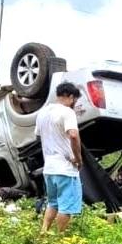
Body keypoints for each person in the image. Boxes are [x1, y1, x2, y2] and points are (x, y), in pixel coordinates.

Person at [36, 82, 83, 233]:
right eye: (75, 100)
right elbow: (73, 135)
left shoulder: (42, 113)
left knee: (53, 203)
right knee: (66, 206)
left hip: (49, 168)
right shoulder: (67, 112)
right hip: (65, 169)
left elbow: (38, 136)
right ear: (70, 96)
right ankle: (59, 238)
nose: (75, 103)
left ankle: (44, 231)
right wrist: (78, 158)